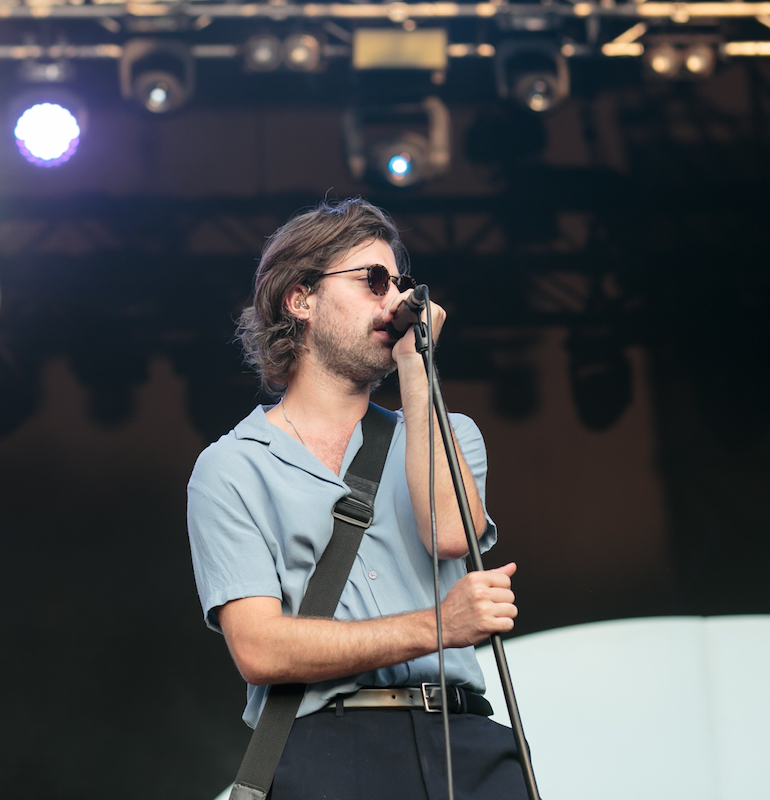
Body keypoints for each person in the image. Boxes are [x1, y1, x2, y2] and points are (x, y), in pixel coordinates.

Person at [187, 198, 526, 799]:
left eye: (400, 284)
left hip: (464, 739)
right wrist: (438, 626)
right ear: (301, 299)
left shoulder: (448, 432)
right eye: (373, 280)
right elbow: (259, 647)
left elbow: (451, 535)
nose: (394, 301)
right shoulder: (231, 468)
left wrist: (417, 368)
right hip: (330, 751)